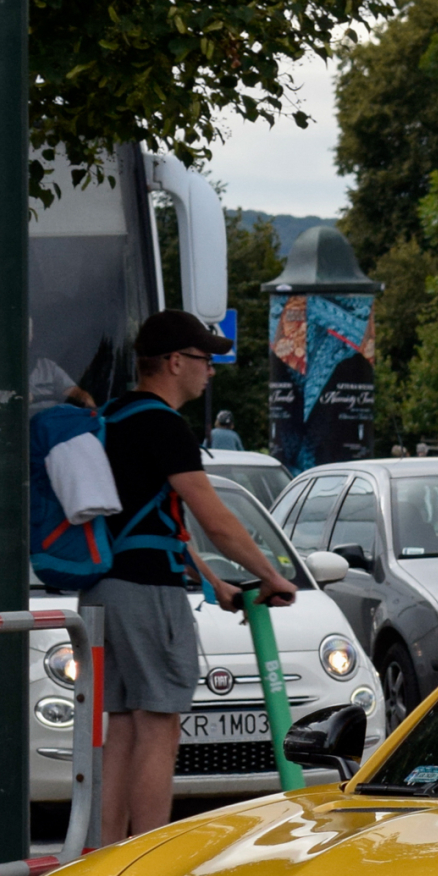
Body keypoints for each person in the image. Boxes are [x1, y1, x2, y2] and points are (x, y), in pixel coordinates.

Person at [89, 310, 298, 844]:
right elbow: (214, 518)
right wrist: (271, 575)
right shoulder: (163, 424)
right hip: (147, 592)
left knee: (126, 725)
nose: (211, 371)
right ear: (174, 362)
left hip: (105, 588)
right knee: (160, 725)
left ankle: (105, 854)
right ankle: (146, 855)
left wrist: (214, 582)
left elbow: (153, 521)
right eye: (206, 360)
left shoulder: (115, 416)